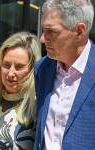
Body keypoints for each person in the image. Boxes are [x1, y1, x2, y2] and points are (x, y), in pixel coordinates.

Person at [34, 0, 95, 149]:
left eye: (51, 31)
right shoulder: (42, 68)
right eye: (43, 30)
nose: (42, 39)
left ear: (79, 31)